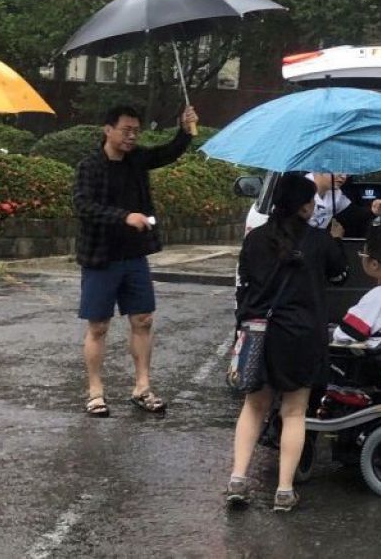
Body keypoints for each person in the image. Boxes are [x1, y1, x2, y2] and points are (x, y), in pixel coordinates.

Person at [227, 174, 348, 512]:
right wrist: (336, 240)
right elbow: (340, 275)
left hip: (259, 332)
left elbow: (244, 283)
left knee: (254, 406)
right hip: (300, 335)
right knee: (294, 412)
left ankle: (238, 479)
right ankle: (283, 490)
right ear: (306, 207)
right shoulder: (318, 241)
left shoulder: (255, 239)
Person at [73, 104, 199, 417]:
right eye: (126, 130)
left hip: (134, 256)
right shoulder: (90, 166)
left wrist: (184, 132)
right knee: (98, 326)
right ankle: (95, 392)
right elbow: (83, 205)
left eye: (136, 131)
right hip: (101, 257)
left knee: (143, 320)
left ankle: (143, 388)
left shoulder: (137, 159)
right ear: (108, 130)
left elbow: (167, 153)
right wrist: (124, 216)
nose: (131, 136)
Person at [306, 172, 381, 233]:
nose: (344, 176)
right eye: (338, 170)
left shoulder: (336, 194)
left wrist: (372, 211)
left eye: (346, 173)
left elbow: (352, 215)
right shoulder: (301, 189)